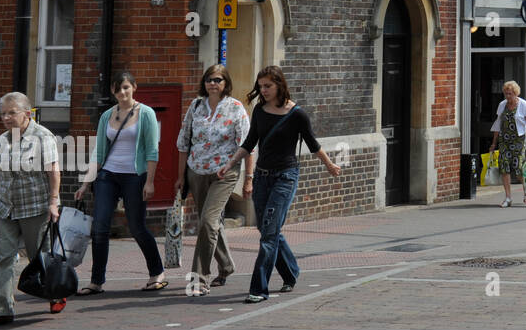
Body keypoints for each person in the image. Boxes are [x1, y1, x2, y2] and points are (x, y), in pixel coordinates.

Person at [216, 66, 341, 303]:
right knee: (267, 230)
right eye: (260, 86)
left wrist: (330, 165)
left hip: (285, 177)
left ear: (279, 86)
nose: (263, 91)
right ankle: (291, 272)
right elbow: (250, 142)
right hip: (262, 177)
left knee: (269, 235)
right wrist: (230, 163)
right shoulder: (260, 111)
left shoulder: (297, 114)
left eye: (267, 86)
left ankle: (258, 289)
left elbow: (313, 144)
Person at [75, 72, 166, 294]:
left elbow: (153, 150)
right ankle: (96, 282)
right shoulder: (107, 115)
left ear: (134, 87)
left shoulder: (146, 114)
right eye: (117, 89)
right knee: (99, 227)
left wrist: (150, 182)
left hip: (135, 176)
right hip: (108, 174)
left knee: (136, 227)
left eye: (126, 87)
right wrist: (86, 183)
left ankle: (157, 273)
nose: (122, 93)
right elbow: (99, 150)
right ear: (113, 92)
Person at [176, 64, 251, 295]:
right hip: (196, 172)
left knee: (207, 222)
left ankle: (200, 279)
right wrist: (180, 177)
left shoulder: (236, 108)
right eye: (209, 79)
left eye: (218, 79)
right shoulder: (196, 106)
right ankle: (226, 266)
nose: (213, 83)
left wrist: (249, 178)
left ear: (226, 83)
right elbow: (183, 142)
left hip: (224, 173)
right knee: (211, 224)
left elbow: (248, 146)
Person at [0, 93, 64, 324]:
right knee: (3, 257)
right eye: (3, 113)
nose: (6, 117)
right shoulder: (3, 139)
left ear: (27, 113)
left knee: (40, 257)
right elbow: (1, 175)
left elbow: (53, 172)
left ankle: (55, 293)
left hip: (35, 207)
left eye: (11, 112)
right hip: (5, 207)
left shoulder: (43, 136)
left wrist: (53, 202)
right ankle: (2, 309)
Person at [489, 80, 526, 207]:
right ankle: (508, 197)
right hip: (505, 141)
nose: (508, 96)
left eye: (510, 94)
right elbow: (498, 124)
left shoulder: (524, 105)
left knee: (519, 168)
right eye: (506, 94)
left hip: (519, 140)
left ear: (516, 93)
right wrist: (494, 143)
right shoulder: (502, 105)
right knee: (504, 168)